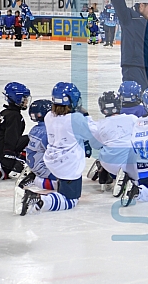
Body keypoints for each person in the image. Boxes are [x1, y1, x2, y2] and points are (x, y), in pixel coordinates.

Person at [17, 82, 102, 215]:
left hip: (52, 161)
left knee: (61, 185)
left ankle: (37, 181)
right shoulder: (76, 119)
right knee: (71, 200)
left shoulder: (49, 116)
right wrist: (86, 116)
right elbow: (94, 134)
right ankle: (39, 200)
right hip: (68, 165)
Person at [90, 91, 138, 194]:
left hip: (109, 164)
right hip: (132, 163)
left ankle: (104, 177)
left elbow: (95, 145)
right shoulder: (133, 119)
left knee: (103, 148)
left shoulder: (99, 125)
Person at [15, 99, 57, 199]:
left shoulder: (34, 129)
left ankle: (35, 176)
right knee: (67, 183)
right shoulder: (48, 132)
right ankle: (37, 180)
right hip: (42, 169)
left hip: (34, 165)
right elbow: (56, 152)